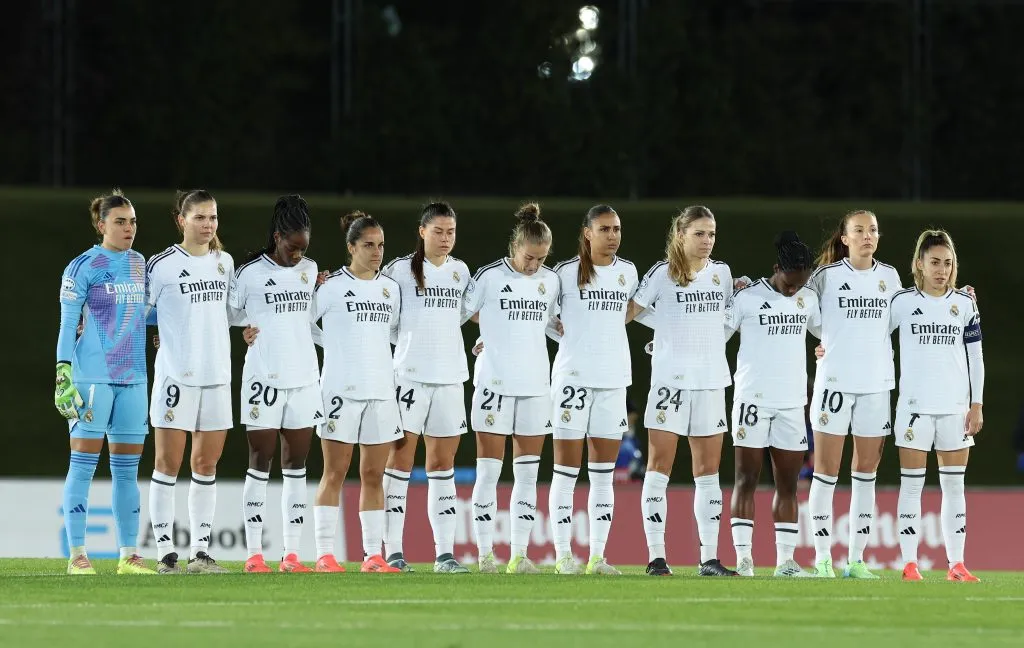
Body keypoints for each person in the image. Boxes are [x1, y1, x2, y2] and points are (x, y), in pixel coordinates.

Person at [627, 205, 737, 577]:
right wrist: (666, 328)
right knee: (659, 468)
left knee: (708, 473)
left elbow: (726, 321)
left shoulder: (722, 274)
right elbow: (630, 311)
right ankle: (656, 557)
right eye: (700, 234)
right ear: (680, 235)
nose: (707, 241)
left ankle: (710, 558)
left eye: (712, 234)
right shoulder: (661, 274)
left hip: (710, 382)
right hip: (669, 383)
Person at [55, 189, 154, 575]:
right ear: (101, 225)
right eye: (120, 221)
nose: (129, 228)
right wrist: (63, 371)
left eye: (132, 221)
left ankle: (128, 555)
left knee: (127, 471)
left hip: (133, 377)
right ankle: (77, 554)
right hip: (93, 377)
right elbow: (67, 324)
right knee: (82, 466)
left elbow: (136, 312)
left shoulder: (139, 263)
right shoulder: (83, 266)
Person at [805, 210, 902, 578]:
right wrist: (823, 342)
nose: (867, 236)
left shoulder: (890, 277)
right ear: (844, 238)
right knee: (825, 472)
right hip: (834, 385)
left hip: (876, 386)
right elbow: (806, 314)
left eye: (873, 230)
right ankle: (823, 557)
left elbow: (899, 320)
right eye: (859, 230)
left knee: (866, 472)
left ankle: (857, 560)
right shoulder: (826, 277)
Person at [229, 195, 323, 573]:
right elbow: (229, 313)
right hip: (263, 379)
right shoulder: (249, 273)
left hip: (303, 379)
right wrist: (245, 332)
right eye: (292, 247)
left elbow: (313, 321)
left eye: (304, 248)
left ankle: (292, 555)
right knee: (259, 461)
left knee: (296, 465)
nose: (298, 255)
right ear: (277, 236)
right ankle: (254, 554)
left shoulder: (311, 271)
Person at [465, 203, 559, 574]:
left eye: (541, 259)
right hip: (493, 384)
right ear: (514, 247)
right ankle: (486, 555)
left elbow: (552, 322)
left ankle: (519, 555)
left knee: (528, 475)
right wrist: (485, 335)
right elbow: (461, 312)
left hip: (536, 385)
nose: (534, 265)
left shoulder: (551, 281)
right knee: (488, 472)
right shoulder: (488, 277)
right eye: (529, 257)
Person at [146, 190, 235, 574]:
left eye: (212, 217)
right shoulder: (162, 264)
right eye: (200, 217)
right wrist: (158, 332)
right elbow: (142, 312)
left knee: (206, 464)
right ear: (181, 220)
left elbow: (230, 313)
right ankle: (166, 552)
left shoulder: (224, 263)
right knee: (167, 463)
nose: (208, 225)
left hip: (216, 375)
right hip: (175, 377)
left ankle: (200, 552)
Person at [379, 202, 472, 574]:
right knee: (400, 463)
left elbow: (462, 317)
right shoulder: (399, 270)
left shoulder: (461, 272)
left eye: (451, 231)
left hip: (450, 378)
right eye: (438, 231)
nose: (445, 238)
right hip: (409, 378)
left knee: (442, 465)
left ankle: (444, 554)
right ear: (422, 232)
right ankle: (394, 551)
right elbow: (386, 321)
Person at [546, 205, 638, 575]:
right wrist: (560, 332)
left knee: (603, 474)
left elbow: (640, 309)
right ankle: (563, 556)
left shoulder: (628, 273)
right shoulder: (564, 274)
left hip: (613, 382)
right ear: (587, 233)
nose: (613, 235)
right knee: (565, 472)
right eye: (605, 229)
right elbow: (541, 315)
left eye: (616, 228)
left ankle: (598, 557)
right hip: (572, 381)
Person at [310, 211, 403, 573]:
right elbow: (303, 326)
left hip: (380, 392)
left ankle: (372, 556)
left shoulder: (390, 288)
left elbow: (394, 333)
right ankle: (323, 554)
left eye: (380, 245)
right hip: (340, 392)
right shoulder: (329, 287)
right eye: (368, 245)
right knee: (334, 473)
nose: (377, 252)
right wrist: (329, 345)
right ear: (351, 247)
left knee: (373, 476)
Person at [890, 230, 983, 582]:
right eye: (935, 262)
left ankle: (956, 564)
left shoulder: (965, 304)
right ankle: (910, 564)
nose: (942, 270)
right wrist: (827, 351)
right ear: (919, 264)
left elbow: (976, 356)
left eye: (947, 263)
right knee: (912, 486)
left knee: (954, 487)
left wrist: (977, 403)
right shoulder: (900, 302)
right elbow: (871, 338)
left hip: (955, 409)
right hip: (914, 408)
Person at [726, 231, 820, 578]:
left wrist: (824, 350)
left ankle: (785, 563)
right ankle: (744, 560)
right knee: (746, 479)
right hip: (752, 399)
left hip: (793, 404)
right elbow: (715, 333)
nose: (794, 290)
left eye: (800, 285)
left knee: (788, 484)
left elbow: (828, 333)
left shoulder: (808, 298)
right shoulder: (747, 298)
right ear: (776, 268)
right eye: (789, 283)